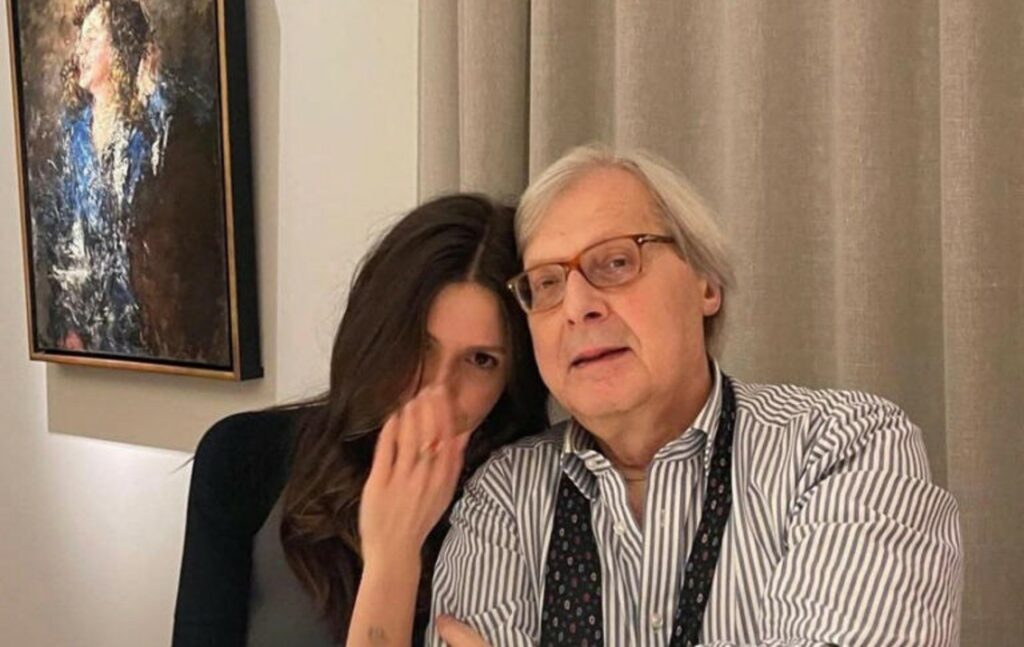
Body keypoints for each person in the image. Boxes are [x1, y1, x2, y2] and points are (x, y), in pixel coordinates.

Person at [428, 146, 962, 646]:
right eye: (546, 284)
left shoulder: (846, 446)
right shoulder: (503, 495)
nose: (577, 306)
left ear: (706, 283)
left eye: (616, 263)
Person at [172, 195, 549, 646]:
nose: (436, 389)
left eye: (481, 360)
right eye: (419, 345)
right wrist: (392, 553)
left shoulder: (525, 504)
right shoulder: (246, 455)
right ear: (377, 335)